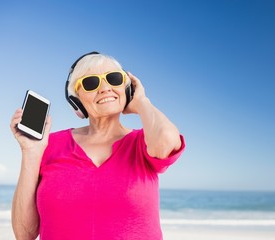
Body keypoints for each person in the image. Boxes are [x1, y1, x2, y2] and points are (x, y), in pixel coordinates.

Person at [10, 52, 185, 240]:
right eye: (91, 83)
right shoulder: (47, 145)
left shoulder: (143, 143)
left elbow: (167, 140)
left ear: (127, 90)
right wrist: (30, 152)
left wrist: (142, 102)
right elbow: (24, 234)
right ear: (76, 99)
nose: (105, 88)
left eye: (114, 79)